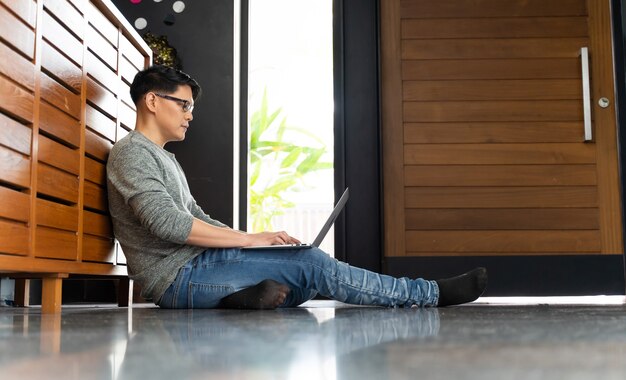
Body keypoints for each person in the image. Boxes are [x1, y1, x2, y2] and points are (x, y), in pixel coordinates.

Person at [106, 65, 488, 309]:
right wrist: (250, 240)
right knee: (309, 264)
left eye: (191, 108)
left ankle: (241, 299)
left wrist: (252, 237)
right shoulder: (131, 154)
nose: (190, 115)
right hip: (176, 279)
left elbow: (195, 217)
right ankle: (428, 294)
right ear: (152, 101)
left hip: (192, 267)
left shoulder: (163, 157)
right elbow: (168, 225)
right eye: (183, 105)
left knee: (296, 279)